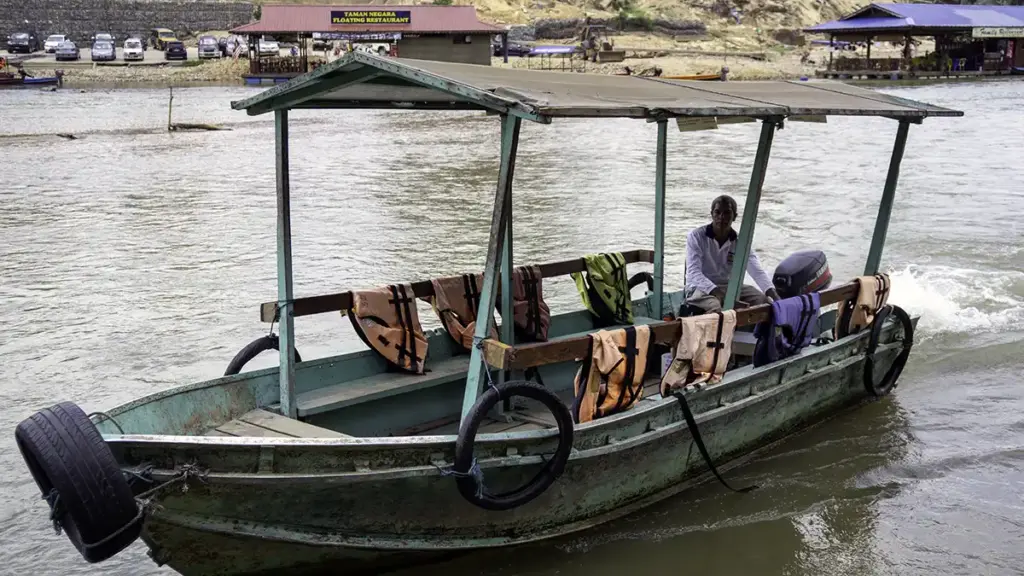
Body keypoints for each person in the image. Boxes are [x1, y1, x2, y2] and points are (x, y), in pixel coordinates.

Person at [684, 194, 780, 314]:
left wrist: (774, 294)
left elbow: (756, 271)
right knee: (716, 306)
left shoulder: (740, 241)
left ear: (734, 216)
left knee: (763, 301)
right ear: (712, 214)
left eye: (727, 213)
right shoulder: (696, 236)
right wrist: (718, 293)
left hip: (727, 287)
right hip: (699, 288)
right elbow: (693, 272)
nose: (721, 217)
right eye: (717, 212)